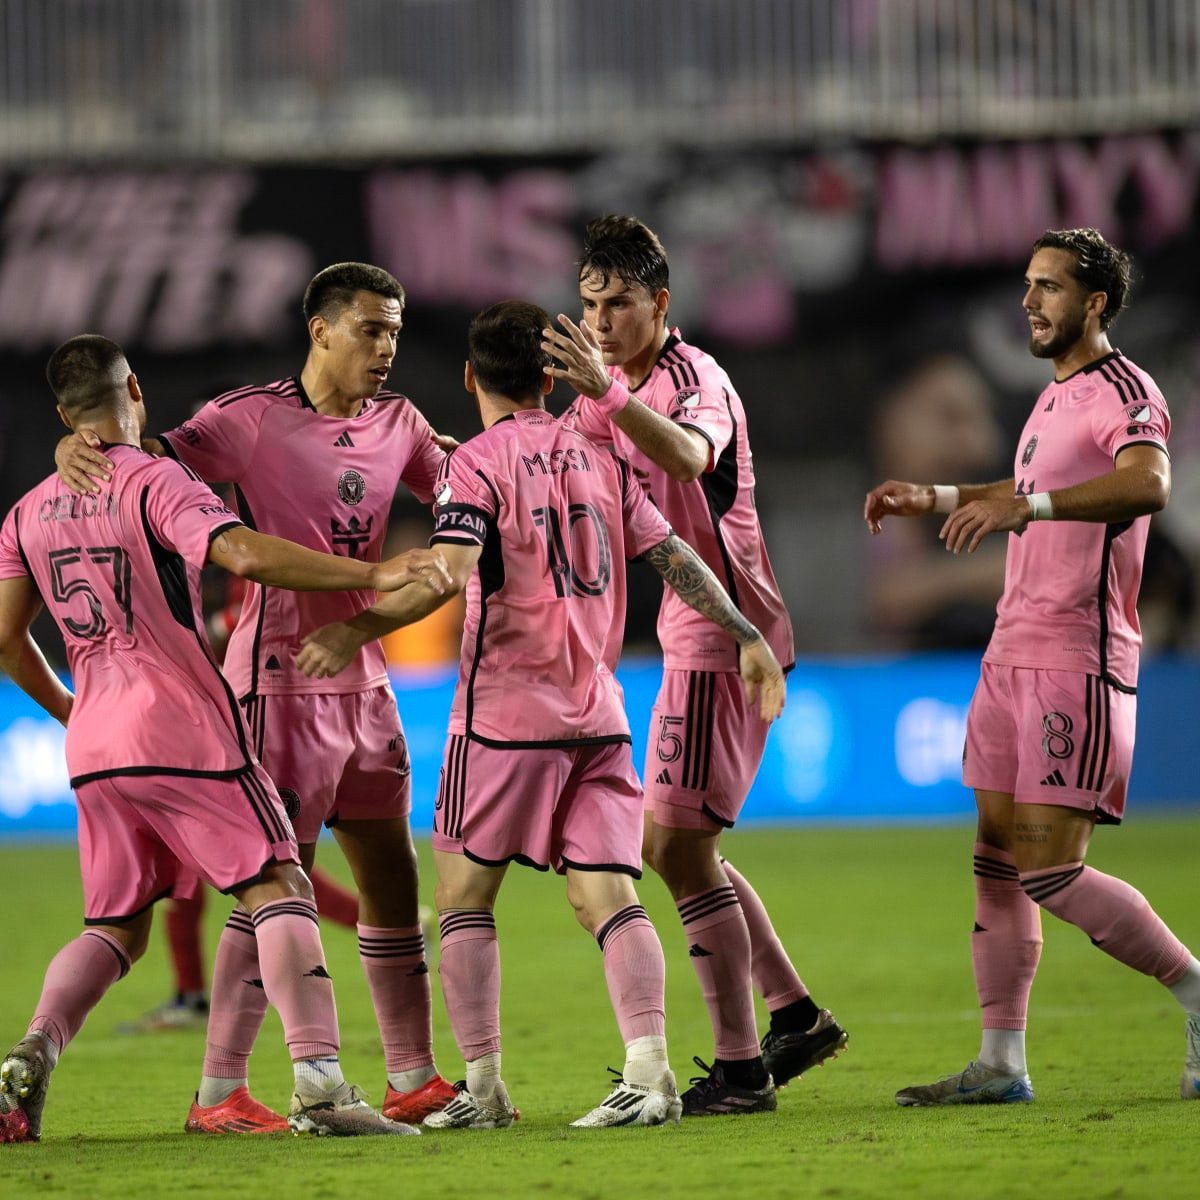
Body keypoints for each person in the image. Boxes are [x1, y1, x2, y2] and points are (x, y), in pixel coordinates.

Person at [295, 300, 786, 1128]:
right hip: (598, 716)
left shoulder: (475, 465)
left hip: (503, 719)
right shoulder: (601, 456)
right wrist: (745, 634)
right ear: (552, 376)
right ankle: (650, 1075)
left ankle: (483, 1087)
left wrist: (357, 626)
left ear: (469, 377)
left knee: (462, 897)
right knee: (609, 899)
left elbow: (447, 573)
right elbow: (674, 556)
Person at [0, 335, 450, 1142]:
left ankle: (31, 1053)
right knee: (281, 885)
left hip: (96, 745)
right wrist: (372, 574)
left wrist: (71, 709)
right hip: (184, 727)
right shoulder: (156, 480)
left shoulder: (27, 510)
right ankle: (318, 1086)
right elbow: (238, 550)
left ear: (65, 416)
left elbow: (4, 640)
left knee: (113, 928)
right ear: (134, 387)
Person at [864, 227, 1200, 1105]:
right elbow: (1019, 498)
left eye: (1049, 286)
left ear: (1094, 303)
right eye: (1028, 284)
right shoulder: (1052, 397)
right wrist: (931, 498)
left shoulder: (1125, 391)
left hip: (1074, 658)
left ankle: (1197, 991)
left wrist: (1034, 508)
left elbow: (1148, 485)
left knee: (1050, 868)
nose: (1031, 300)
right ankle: (1001, 1061)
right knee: (994, 858)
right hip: (1011, 652)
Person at [541, 216, 846, 1116]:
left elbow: (689, 453)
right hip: (688, 630)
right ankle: (790, 1016)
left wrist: (608, 394)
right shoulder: (602, 391)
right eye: (590, 303)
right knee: (684, 846)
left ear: (660, 303)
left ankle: (744, 1069)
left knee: (674, 845)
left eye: (620, 302)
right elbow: (553, 469)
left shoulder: (693, 377)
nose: (600, 321)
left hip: (731, 630)